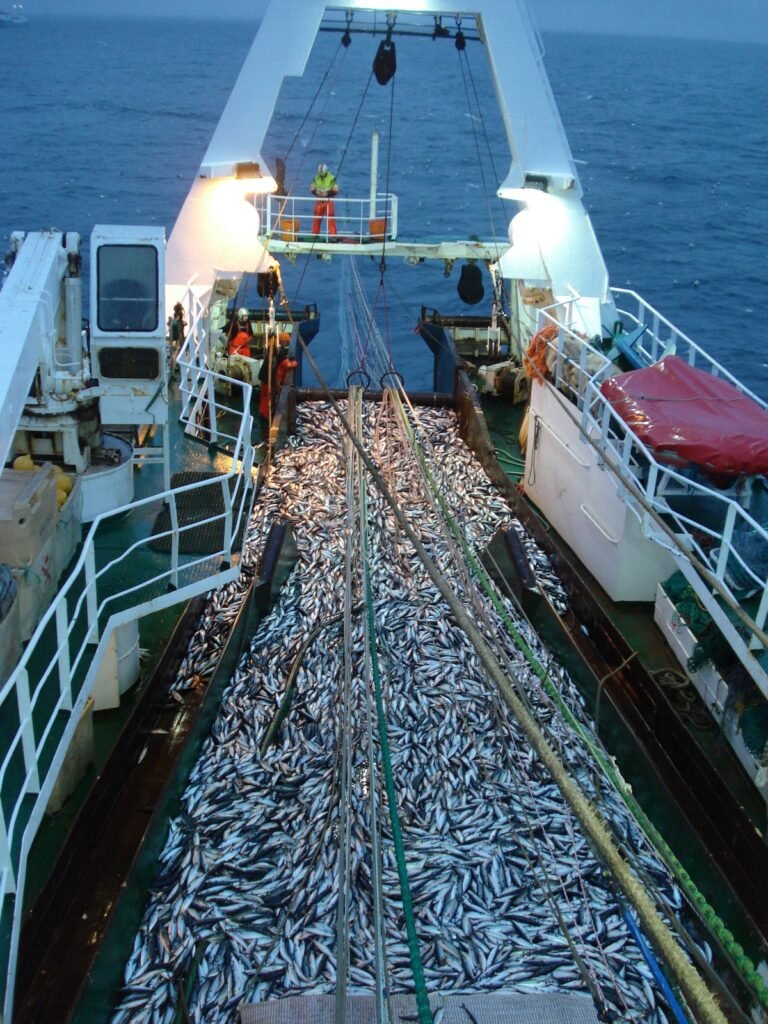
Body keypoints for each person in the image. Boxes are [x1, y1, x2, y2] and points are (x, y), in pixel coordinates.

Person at [259, 335, 297, 420]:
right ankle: (266, 416)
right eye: (287, 341)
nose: (287, 343)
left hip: (263, 376)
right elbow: (288, 365)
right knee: (268, 397)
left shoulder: (274, 349)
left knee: (263, 396)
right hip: (269, 379)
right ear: (284, 341)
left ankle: (262, 412)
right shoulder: (280, 352)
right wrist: (295, 362)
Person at [310, 163, 339, 236]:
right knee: (317, 218)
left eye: (323, 174)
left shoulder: (331, 178)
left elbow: (336, 190)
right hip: (319, 200)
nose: (321, 175)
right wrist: (317, 193)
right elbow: (312, 189)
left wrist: (327, 194)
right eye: (320, 174)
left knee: (330, 217)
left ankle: (333, 235)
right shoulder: (316, 178)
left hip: (329, 200)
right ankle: (315, 235)